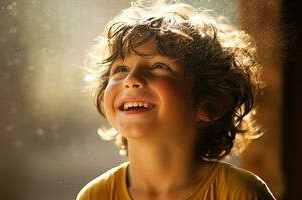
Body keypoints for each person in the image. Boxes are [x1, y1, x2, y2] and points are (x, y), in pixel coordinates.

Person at [77, 0, 276, 199]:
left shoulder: (240, 193)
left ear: (209, 104)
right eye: (121, 69)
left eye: (159, 66)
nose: (132, 79)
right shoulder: (94, 195)